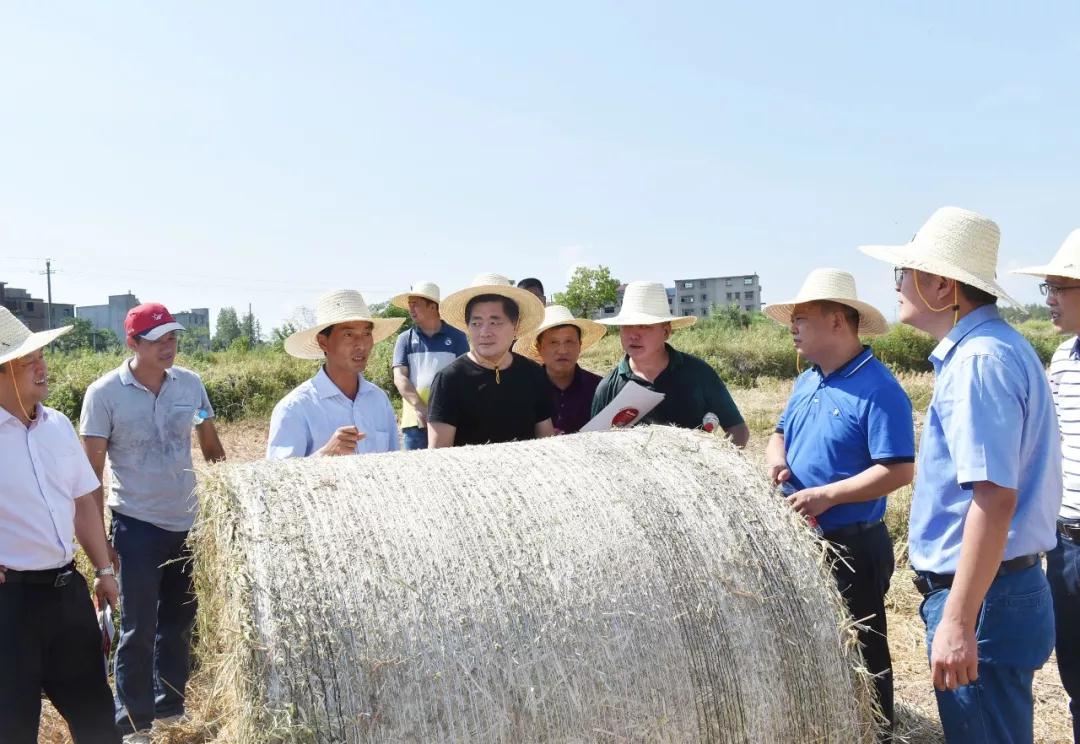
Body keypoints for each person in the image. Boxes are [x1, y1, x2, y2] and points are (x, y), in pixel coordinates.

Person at [860, 206, 1060, 742]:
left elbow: (994, 500)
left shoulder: (978, 363)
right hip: (996, 589)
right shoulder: (995, 351)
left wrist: (958, 620)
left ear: (941, 286)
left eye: (904, 273)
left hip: (982, 597)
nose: (898, 285)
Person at [763, 269, 914, 732]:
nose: (793, 327)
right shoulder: (809, 380)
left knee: (865, 653)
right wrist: (777, 461)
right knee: (813, 645)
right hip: (804, 539)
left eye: (803, 318)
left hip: (852, 547)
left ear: (837, 321)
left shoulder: (879, 388)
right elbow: (778, 433)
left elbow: (898, 469)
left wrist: (827, 495)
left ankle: (877, 734)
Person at [80, 302, 226, 743]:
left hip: (187, 523)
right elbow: (91, 475)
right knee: (137, 627)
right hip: (137, 525)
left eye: (173, 338)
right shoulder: (104, 394)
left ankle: (170, 709)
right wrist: (102, 547)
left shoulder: (190, 385)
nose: (169, 346)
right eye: (158, 339)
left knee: (179, 624)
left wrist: (226, 504)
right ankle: (133, 723)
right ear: (132, 343)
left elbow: (210, 444)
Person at [0, 309, 120, 744]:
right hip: (8, 605)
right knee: (12, 728)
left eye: (41, 355)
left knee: (97, 721)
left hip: (66, 593)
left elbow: (83, 503)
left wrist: (103, 570)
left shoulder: (59, 426)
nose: (41, 365)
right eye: (26, 358)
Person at [1013, 228, 1080, 743]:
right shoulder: (1062, 360)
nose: (1051, 299)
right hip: (1066, 543)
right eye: (1049, 288)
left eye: (1062, 287)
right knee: (1076, 677)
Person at [591, 281, 749, 446]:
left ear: (666, 331)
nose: (633, 335)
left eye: (644, 326)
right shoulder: (608, 388)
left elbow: (737, 429)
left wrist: (715, 465)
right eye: (627, 326)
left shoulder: (699, 374)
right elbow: (595, 447)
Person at [268, 289, 403, 458]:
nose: (361, 344)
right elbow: (279, 479)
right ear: (323, 342)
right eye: (348, 334)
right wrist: (325, 454)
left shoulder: (379, 400)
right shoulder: (295, 408)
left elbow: (394, 465)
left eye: (366, 333)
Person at [428, 273, 552, 447]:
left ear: (515, 326)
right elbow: (439, 455)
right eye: (476, 323)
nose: (484, 332)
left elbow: (546, 441)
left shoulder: (533, 373)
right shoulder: (449, 380)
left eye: (495, 322)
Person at [389, 281, 469, 450]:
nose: (411, 309)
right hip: (415, 421)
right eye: (410, 305)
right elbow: (399, 377)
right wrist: (420, 407)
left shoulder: (457, 337)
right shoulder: (405, 339)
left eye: (416, 304)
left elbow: (465, 376)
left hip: (449, 419)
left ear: (433, 307)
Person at [515, 304, 605, 434]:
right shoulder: (524, 390)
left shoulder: (599, 388)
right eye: (553, 342)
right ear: (539, 348)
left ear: (579, 345)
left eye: (569, 342)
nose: (562, 350)